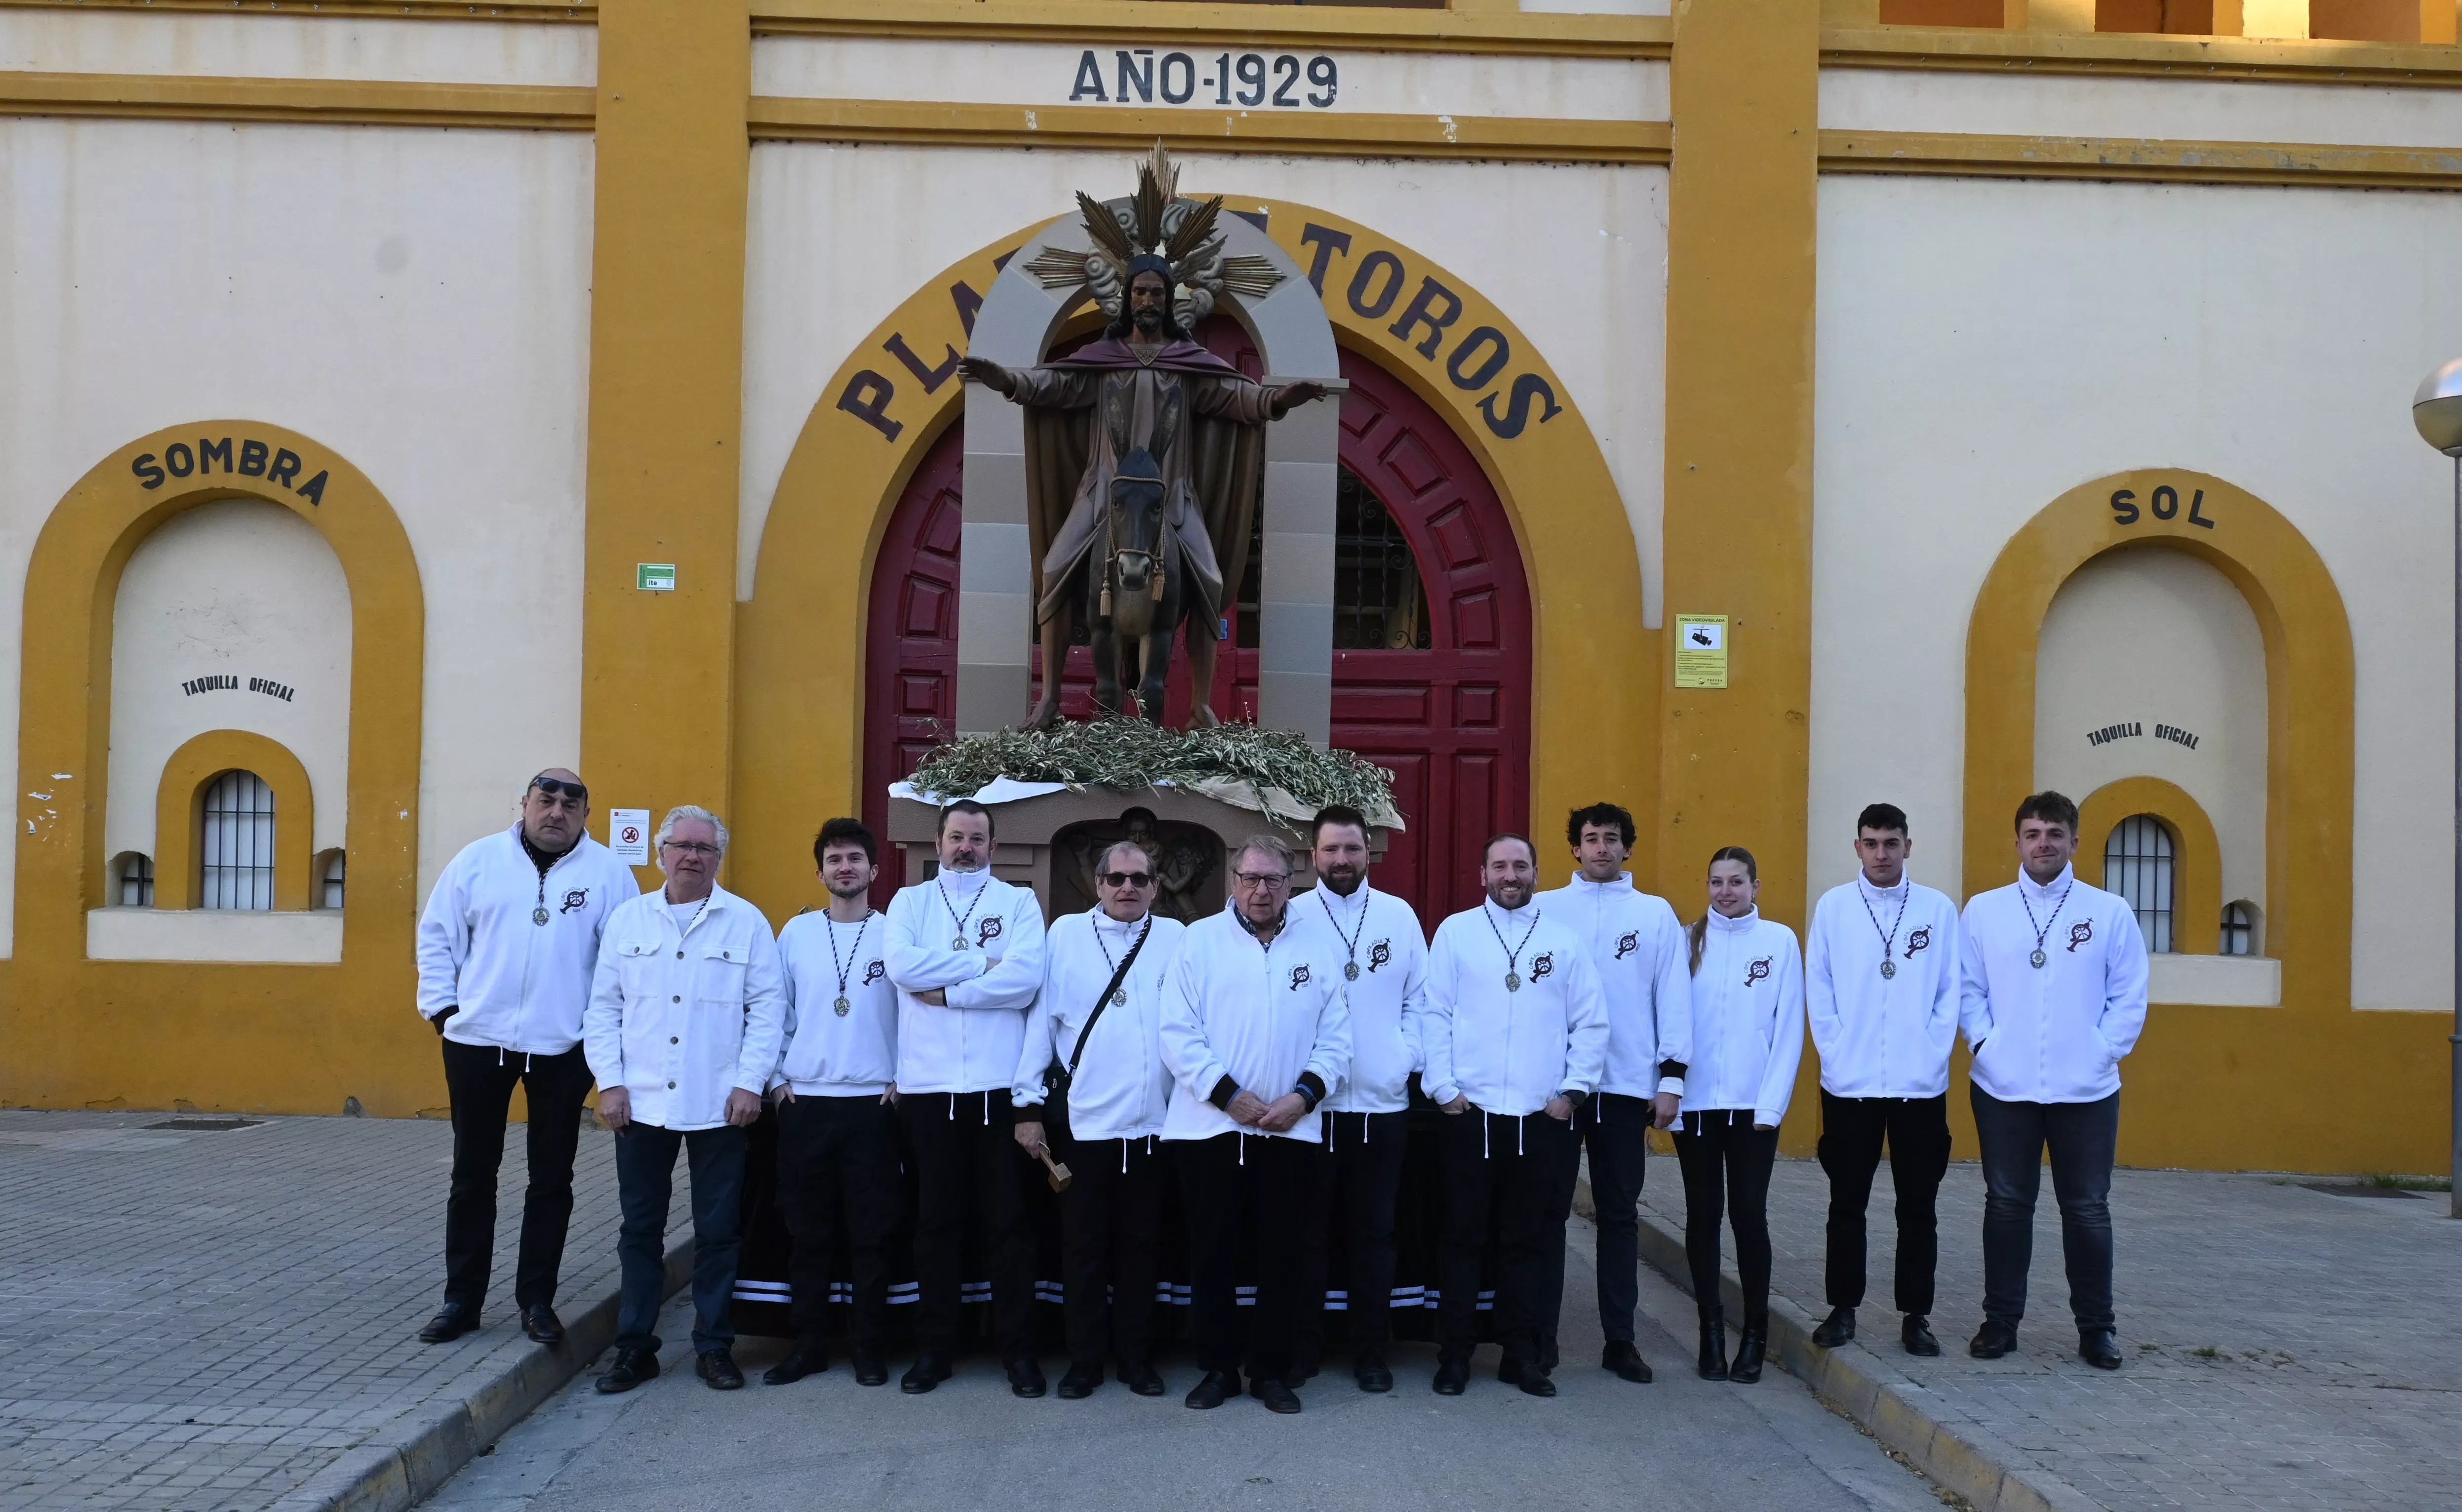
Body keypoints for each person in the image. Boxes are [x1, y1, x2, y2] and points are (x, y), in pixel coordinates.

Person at [412, 768, 638, 1346]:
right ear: (526, 803)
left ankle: (536, 1299)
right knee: (472, 1173)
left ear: (586, 813)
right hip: (478, 1041)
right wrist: (444, 1010)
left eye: (571, 803)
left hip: (564, 1046)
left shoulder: (611, 873)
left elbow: (622, 961)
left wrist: (602, 1038)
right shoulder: (478, 860)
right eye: (547, 800)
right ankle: (461, 1299)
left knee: (551, 1178)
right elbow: (437, 933)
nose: (557, 811)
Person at [583, 806, 785, 1394]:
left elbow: (769, 1009)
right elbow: (603, 1008)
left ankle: (714, 1345)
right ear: (659, 852)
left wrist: (751, 1081)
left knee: (719, 1231)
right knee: (640, 1229)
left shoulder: (745, 922)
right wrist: (610, 1081)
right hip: (640, 1103)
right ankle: (634, 1347)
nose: (692, 855)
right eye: (681, 845)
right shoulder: (628, 920)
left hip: (720, 1103)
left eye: (705, 847)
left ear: (719, 857)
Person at [1159, 834, 1350, 1415]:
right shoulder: (1199, 942)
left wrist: (1303, 1096)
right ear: (1233, 881)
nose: (1261, 890)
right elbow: (1176, 1032)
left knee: (1284, 1256)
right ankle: (1217, 1368)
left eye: (1273, 879)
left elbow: (1338, 1039)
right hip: (1211, 1128)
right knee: (1213, 1253)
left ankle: (1271, 1371)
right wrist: (1229, 1096)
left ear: (1292, 884)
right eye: (1250, 878)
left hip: (1290, 1130)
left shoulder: (1317, 947)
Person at [1958, 791, 2148, 1371]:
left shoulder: (2109, 911)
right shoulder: (1985, 910)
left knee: (2087, 1209)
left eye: (2055, 833)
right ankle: (2001, 1321)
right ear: (2017, 841)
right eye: (2034, 833)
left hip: (2086, 1089)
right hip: (2003, 1085)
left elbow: (2129, 995)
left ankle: (2097, 1328)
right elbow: (1968, 989)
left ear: (2075, 841)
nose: (2044, 843)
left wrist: (2099, 1052)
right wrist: (1986, 1045)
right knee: (2007, 1205)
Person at [1422, 833, 1608, 1399]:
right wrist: (1444, 1088)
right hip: (1469, 1113)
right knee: (1461, 1239)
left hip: (1540, 1115)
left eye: (1520, 865)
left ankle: (1521, 1355)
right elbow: (1434, 1013)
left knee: (1527, 1240)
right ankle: (1454, 1354)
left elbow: (1591, 1023)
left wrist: (1571, 1092)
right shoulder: (1456, 932)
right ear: (1482, 873)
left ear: (1535, 871)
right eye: (1500, 865)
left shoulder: (1563, 940)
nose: (1510, 874)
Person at [882, 798, 1049, 1396]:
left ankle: (1019, 1352)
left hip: (996, 1092)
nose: (965, 848)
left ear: (993, 846)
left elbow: (1026, 978)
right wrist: (984, 964)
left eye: (977, 838)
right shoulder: (910, 902)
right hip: (929, 1092)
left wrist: (951, 992)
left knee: (1008, 1226)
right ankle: (936, 1350)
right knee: (937, 1224)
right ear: (938, 839)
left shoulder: (1017, 902)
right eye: (956, 836)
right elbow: (902, 965)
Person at [1011, 838, 1187, 1400]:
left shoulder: (1178, 939)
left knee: (1142, 1247)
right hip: (1083, 1124)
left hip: (1155, 1125)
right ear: (1098, 883)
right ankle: (1085, 1360)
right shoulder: (1064, 934)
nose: (1127, 888)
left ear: (1157, 887)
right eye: (1116, 878)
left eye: (1140, 879)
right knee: (1082, 1248)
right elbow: (1041, 1024)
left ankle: (1137, 1358)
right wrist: (1027, 1106)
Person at [1535, 801, 1688, 1384]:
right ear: (1574, 847)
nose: (1601, 847)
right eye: (1591, 838)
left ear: (1628, 848)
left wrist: (1669, 1081)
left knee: (1619, 1216)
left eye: (1612, 838)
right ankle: (1541, 1336)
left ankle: (1620, 1339)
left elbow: (1673, 1001)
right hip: (1556, 1090)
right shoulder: (1545, 909)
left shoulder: (1653, 914)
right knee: (1548, 1214)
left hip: (1625, 1087)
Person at [1805, 803, 1963, 1358]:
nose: (1880, 853)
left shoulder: (1937, 909)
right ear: (1857, 847)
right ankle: (1842, 1307)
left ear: (1908, 846)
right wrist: (1838, 1049)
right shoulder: (1835, 907)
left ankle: (1916, 1314)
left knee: (1918, 1204)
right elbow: (1818, 987)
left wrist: (1928, 1051)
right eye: (1870, 843)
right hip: (1850, 1083)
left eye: (1890, 843)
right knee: (1847, 1201)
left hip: (1919, 1084)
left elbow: (1951, 989)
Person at [1292, 804, 1427, 1394]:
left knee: (1374, 1236)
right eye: (1330, 850)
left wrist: (1403, 1060)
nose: (1341, 860)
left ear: (1367, 850)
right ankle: (1304, 1347)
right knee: (1308, 1234)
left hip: (1381, 1106)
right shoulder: (1293, 915)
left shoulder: (1398, 916)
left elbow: (1421, 1003)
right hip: (1309, 1110)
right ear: (1313, 854)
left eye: (1351, 849)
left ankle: (1373, 1350)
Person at [763, 818, 902, 1389]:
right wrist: (774, 1079)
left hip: (875, 1104)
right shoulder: (794, 935)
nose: (845, 867)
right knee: (809, 1234)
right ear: (819, 870)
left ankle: (869, 1346)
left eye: (855, 858)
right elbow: (774, 1011)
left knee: (872, 1235)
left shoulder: (896, 933)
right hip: (807, 1103)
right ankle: (810, 1344)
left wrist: (904, 1077)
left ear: (874, 869)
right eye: (834, 858)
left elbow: (918, 1016)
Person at [1673, 846, 1804, 1385]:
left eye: (1736, 881)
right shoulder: (1688, 941)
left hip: (1753, 1109)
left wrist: (1771, 1105)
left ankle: (1755, 1333)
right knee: (1703, 1216)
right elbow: (1673, 1021)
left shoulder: (1778, 942)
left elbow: (1790, 1026)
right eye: (1716, 881)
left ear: (1756, 885)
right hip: (1697, 1107)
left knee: (1749, 1215)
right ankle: (1710, 1331)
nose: (1726, 891)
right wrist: (1673, 1094)